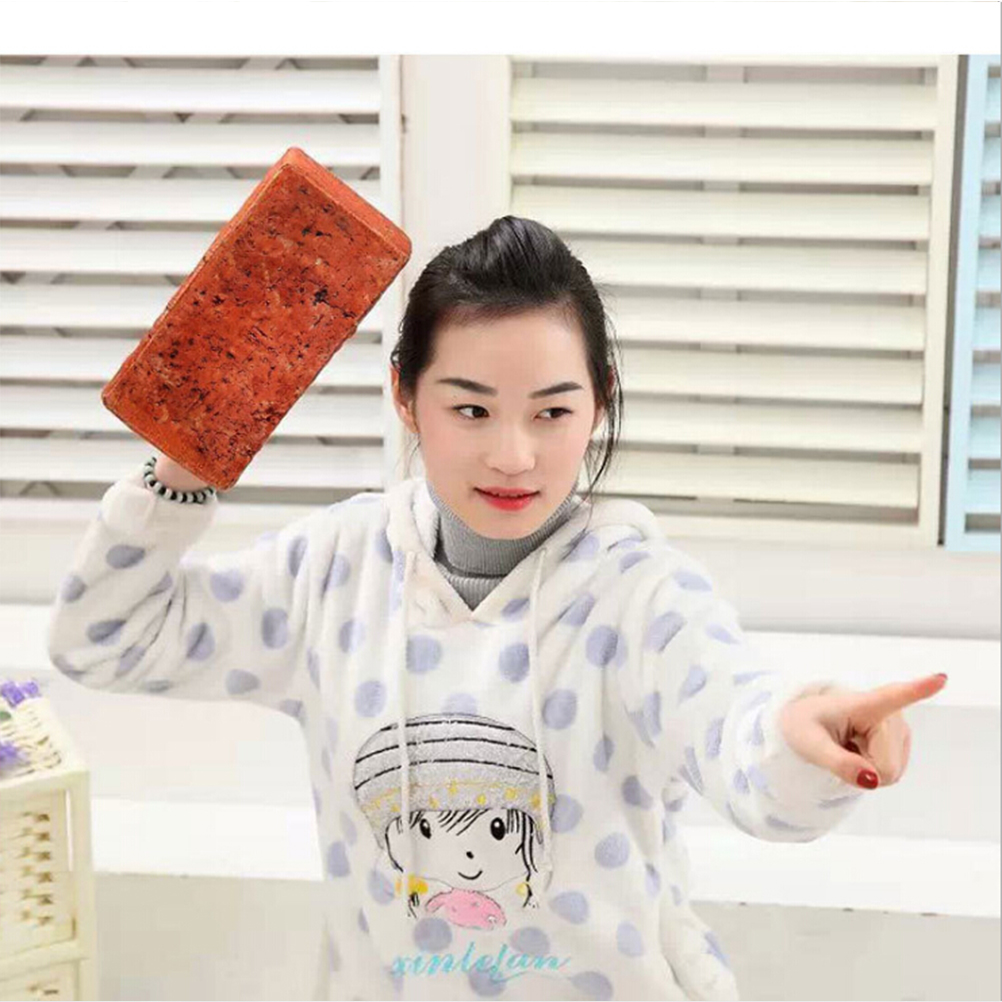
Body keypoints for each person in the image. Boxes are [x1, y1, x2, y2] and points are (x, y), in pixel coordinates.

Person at [47, 216, 945, 1001]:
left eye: (551, 413)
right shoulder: (332, 572)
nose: (514, 456)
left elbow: (746, 753)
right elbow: (102, 639)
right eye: (471, 410)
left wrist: (805, 736)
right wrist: (186, 462)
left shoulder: (640, 597)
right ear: (406, 397)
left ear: (599, 402)